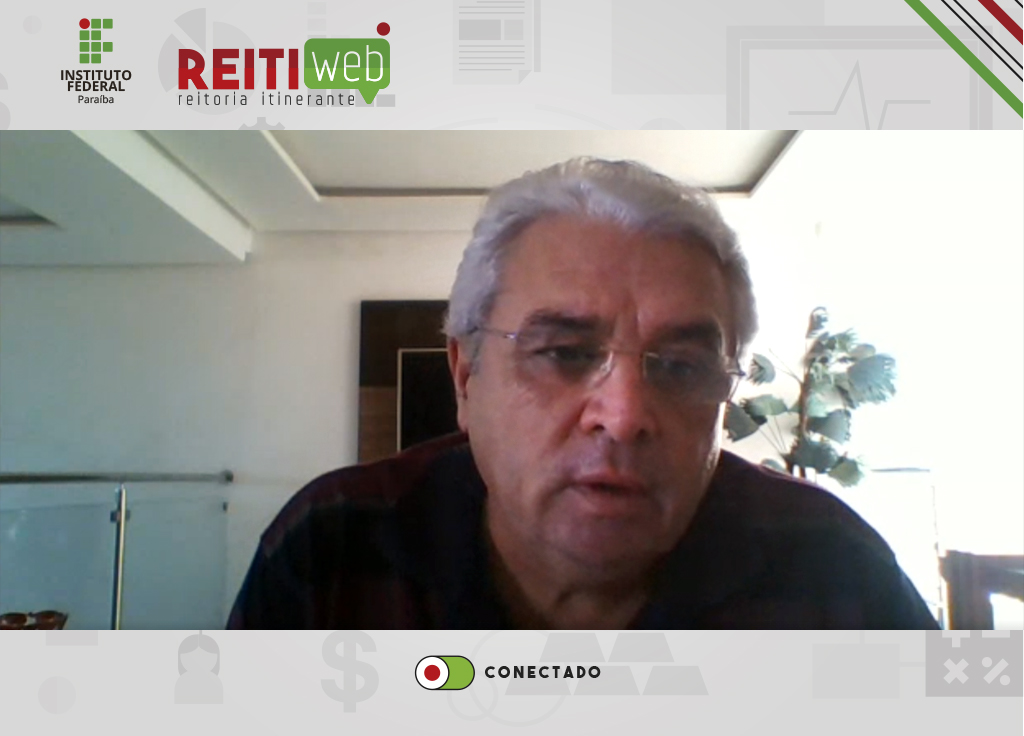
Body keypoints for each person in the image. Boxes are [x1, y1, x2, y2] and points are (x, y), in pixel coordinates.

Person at [228, 158, 939, 630]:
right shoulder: (332, 548)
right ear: (466, 377)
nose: (624, 416)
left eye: (682, 367)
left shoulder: (834, 572)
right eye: (564, 354)